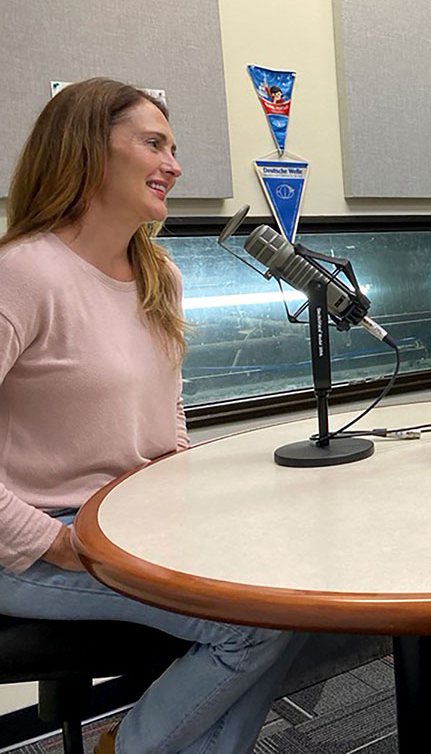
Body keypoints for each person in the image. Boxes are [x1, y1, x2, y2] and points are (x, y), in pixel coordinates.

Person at [0, 79, 306, 754]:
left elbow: (165, 405)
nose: (173, 164)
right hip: (35, 544)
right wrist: (51, 542)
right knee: (253, 625)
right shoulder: (22, 275)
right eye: (153, 144)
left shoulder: (156, 271)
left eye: (175, 148)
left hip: (127, 525)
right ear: (87, 150)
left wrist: (181, 494)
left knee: (290, 592)